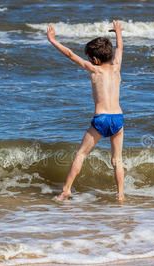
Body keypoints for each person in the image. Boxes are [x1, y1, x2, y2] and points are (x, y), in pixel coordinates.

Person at [47, 20, 125, 202]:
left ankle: (66, 189)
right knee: (117, 161)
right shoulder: (117, 68)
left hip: (101, 118)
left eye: (90, 57)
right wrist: (118, 33)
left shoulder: (94, 70)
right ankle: (120, 194)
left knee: (81, 154)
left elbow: (70, 54)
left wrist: (53, 40)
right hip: (118, 118)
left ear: (95, 60)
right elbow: (120, 49)